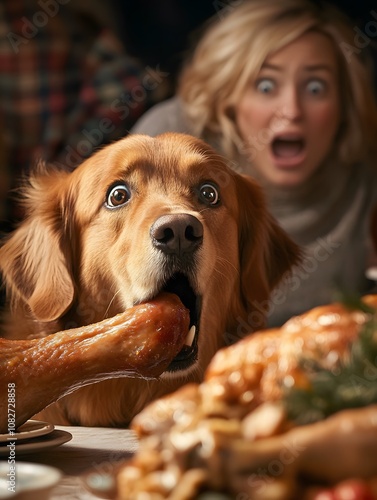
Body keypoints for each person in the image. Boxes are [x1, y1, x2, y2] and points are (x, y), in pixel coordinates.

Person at [131, 0, 377, 327]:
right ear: (229, 97)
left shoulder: (367, 170)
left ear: (345, 102)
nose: (291, 110)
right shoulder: (168, 144)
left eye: (316, 87)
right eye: (265, 86)